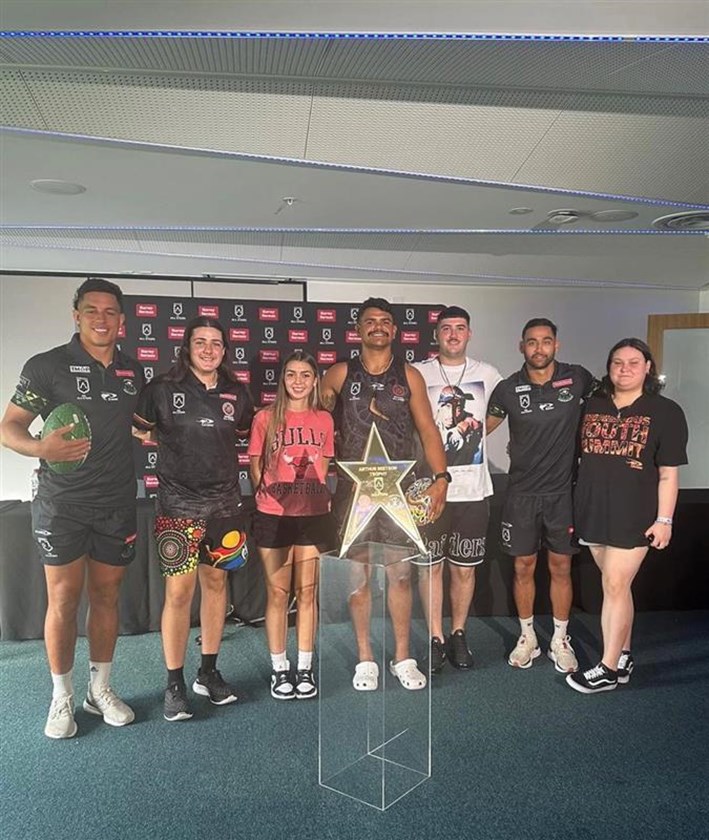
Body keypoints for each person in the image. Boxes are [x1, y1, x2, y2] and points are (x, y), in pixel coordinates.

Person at [0, 277, 143, 739]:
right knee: (63, 599)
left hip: (116, 503)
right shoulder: (47, 366)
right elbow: (8, 427)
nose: (101, 319)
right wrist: (41, 448)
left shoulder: (132, 371)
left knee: (106, 597)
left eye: (110, 311)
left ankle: (99, 690)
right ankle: (61, 695)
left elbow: (138, 424)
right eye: (92, 310)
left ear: (121, 320)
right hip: (62, 504)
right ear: (76, 315)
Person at [321, 297, 448, 691]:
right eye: (370, 321)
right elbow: (312, 418)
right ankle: (365, 658)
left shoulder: (409, 376)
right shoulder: (339, 374)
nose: (377, 326)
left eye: (384, 321)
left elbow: (428, 430)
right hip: (352, 494)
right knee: (357, 578)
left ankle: (402, 657)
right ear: (358, 330)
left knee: (401, 575)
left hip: (399, 493)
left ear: (394, 330)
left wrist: (441, 478)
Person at [133, 316, 253, 721]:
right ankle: (174, 683)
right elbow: (138, 431)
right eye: (200, 342)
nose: (208, 349)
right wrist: (168, 443)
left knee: (217, 587)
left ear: (225, 350)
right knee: (179, 595)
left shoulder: (238, 392)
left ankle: (208, 671)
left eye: (216, 343)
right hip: (177, 507)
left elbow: (247, 434)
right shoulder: (161, 389)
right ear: (186, 346)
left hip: (225, 507)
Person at [567, 338, 688, 694]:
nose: (625, 369)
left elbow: (668, 474)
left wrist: (664, 520)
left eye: (634, 362)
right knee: (617, 587)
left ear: (648, 367)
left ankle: (606, 669)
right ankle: (623, 655)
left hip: (635, 515)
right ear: (609, 367)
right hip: (592, 510)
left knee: (615, 585)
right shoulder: (592, 405)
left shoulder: (666, 412)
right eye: (617, 362)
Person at [486, 318, 596, 674]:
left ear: (556, 345)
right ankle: (528, 637)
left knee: (561, 566)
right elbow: (478, 430)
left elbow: (611, 404)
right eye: (531, 342)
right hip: (521, 494)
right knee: (523, 566)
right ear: (522, 346)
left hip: (563, 493)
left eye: (546, 341)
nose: (539, 348)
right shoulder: (507, 389)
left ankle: (560, 639)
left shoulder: (577, 378)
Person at [412, 306, 502, 672]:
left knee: (464, 569)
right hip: (429, 489)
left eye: (460, 328)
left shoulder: (488, 374)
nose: (453, 334)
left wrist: (474, 435)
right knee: (430, 567)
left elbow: (498, 413)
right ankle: (435, 637)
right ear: (436, 334)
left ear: (469, 333)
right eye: (446, 328)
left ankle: (459, 633)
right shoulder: (418, 372)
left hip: (473, 490)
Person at [248, 350, 336, 700]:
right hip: (274, 515)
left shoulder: (324, 420)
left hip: (313, 516)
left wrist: (309, 497)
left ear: (315, 381)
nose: (298, 381)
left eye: (305, 375)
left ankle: (304, 666)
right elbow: (256, 463)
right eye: (291, 374)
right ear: (282, 379)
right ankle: (279, 667)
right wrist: (271, 495)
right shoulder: (264, 417)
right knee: (278, 593)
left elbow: (324, 466)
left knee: (308, 592)